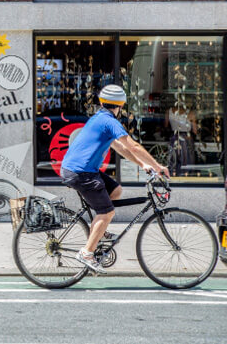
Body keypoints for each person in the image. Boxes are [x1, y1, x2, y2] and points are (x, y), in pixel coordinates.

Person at [60, 84, 169, 274]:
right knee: (107, 212)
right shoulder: (109, 121)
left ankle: (98, 232)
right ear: (119, 105)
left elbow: (120, 148)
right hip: (81, 172)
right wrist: (158, 167)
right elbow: (133, 145)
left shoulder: (100, 118)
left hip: (82, 170)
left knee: (116, 191)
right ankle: (87, 253)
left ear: (103, 102)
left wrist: (143, 165)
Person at [165, 105, 198, 177]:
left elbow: (166, 126)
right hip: (187, 138)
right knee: (187, 158)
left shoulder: (169, 111)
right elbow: (195, 130)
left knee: (173, 158)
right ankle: (187, 176)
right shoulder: (191, 113)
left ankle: (173, 175)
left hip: (174, 137)